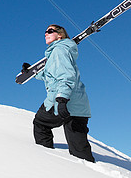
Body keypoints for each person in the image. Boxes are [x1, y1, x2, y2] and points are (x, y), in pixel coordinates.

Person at [25, 24, 95, 162]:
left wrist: (62, 99)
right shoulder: (64, 50)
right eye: (45, 31)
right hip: (79, 106)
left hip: (61, 101)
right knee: (79, 149)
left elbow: (66, 77)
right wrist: (32, 73)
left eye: (50, 31)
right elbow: (51, 75)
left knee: (41, 123)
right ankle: (90, 177)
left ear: (60, 35)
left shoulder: (59, 51)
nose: (46, 33)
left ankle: (47, 162)